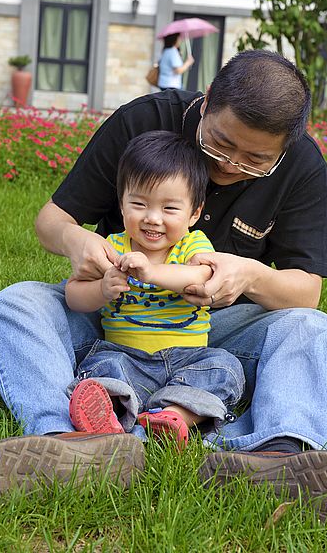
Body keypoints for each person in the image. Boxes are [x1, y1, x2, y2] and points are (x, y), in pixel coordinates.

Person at [0, 50, 327, 525]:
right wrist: (77, 242)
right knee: (16, 303)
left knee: (317, 330)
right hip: (114, 314)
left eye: (255, 160)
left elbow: (306, 290)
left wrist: (250, 275)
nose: (231, 165)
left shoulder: (303, 166)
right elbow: (51, 221)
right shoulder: (143, 122)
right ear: (204, 107)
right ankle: (67, 441)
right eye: (220, 144)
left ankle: (273, 453)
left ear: (285, 148)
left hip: (211, 332)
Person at [65, 130, 245, 447]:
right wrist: (103, 289)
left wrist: (151, 272)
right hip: (126, 356)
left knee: (225, 367)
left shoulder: (194, 244)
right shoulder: (113, 247)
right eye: (139, 203)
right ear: (122, 205)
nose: (152, 218)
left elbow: (201, 277)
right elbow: (73, 295)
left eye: (169, 209)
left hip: (188, 359)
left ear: (194, 213)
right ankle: (110, 419)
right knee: (102, 366)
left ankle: (175, 416)